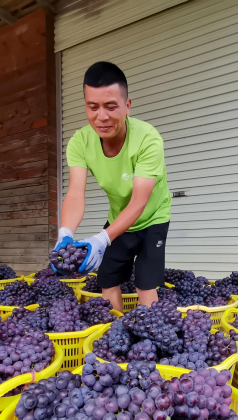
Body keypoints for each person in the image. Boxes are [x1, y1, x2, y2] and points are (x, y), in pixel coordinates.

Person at [55, 62, 172, 312]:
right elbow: (75, 194)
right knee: (107, 279)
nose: (102, 116)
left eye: (111, 106)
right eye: (93, 107)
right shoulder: (80, 142)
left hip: (153, 218)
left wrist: (102, 238)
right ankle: (115, 332)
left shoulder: (148, 140)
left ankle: (148, 339)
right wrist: (65, 232)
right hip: (119, 218)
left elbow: (140, 202)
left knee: (145, 283)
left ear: (127, 106)